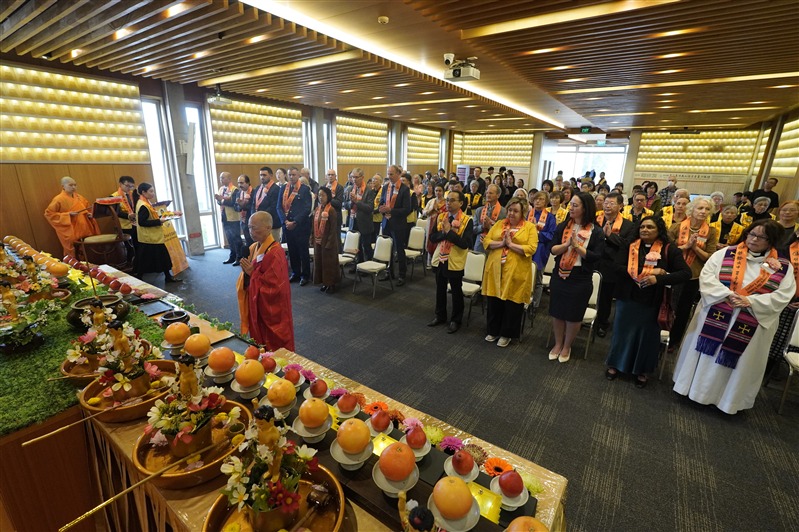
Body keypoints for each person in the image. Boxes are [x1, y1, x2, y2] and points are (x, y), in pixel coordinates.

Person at [672, 220, 795, 414]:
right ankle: (693, 389)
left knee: (741, 362)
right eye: (751, 234)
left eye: (761, 237)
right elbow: (707, 276)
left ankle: (727, 401)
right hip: (718, 308)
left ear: (772, 240)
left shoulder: (782, 267)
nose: (753, 239)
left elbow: (784, 295)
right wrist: (727, 294)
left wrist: (751, 302)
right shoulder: (725, 254)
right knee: (705, 353)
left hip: (752, 318)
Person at [605, 216, 691, 387]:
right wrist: (649, 271)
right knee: (622, 333)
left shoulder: (669, 248)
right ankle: (615, 364)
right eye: (642, 227)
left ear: (659, 230)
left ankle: (641, 371)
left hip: (653, 302)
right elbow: (616, 267)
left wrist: (658, 278)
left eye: (650, 227)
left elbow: (685, 273)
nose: (645, 230)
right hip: (628, 298)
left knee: (646, 338)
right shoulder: (629, 246)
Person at [548, 192, 605, 363]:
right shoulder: (564, 226)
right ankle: (558, 344)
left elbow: (597, 256)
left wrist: (578, 248)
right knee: (557, 312)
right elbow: (553, 249)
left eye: (575, 205)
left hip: (580, 278)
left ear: (585, 208)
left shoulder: (596, 231)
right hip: (560, 274)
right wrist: (566, 245)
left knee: (573, 314)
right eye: (570, 204)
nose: (570, 208)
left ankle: (567, 346)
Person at [482, 197, 538, 347]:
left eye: (515, 211)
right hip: (495, 269)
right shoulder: (499, 224)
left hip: (516, 271)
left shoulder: (529, 227)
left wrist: (511, 245)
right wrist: (502, 243)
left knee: (512, 303)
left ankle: (507, 334)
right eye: (510, 210)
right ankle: (493, 330)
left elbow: (532, 248)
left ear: (522, 213)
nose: (511, 213)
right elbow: (487, 241)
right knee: (494, 301)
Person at [237, 211, 295, 351]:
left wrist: (252, 274)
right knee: (259, 341)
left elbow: (275, 287)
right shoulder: (253, 248)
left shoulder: (276, 253)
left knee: (276, 346)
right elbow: (247, 278)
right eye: (249, 227)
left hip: (273, 311)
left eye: (254, 228)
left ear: (268, 228)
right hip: (257, 304)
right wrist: (248, 275)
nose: (251, 232)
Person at [667, 197, 719, 351]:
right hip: (673, 273)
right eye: (700, 208)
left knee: (683, 310)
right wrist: (686, 246)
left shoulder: (711, 232)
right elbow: (666, 250)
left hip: (693, 276)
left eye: (707, 209)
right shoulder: (676, 227)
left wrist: (695, 248)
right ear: (692, 210)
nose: (703, 212)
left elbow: (710, 256)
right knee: (667, 305)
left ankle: (675, 340)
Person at [428, 190, 474, 334]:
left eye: (452, 200)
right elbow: (432, 237)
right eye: (447, 200)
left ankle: (456, 320)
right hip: (441, 258)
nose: (448, 203)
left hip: (455, 260)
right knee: (440, 288)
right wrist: (444, 233)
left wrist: (449, 233)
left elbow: (465, 244)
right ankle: (440, 315)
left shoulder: (467, 220)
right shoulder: (441, 217)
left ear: (461, 203)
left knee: (456, 291)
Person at [594, 192, 636, 338]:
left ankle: (602, 323)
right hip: (593, 261)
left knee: (605, 297)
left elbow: (627, 245)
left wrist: (610, 236)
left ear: (620, 206)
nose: (607, 206)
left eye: (612, 203)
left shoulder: (628, 225)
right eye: (606, 203)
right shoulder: (595, 220)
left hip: (611, 265)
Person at [767, 227, 799, 376]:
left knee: (789, 337)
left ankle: (778, 367)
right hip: (782, 298)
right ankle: (767, 365)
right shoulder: (786, 249)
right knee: (774, 335)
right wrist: (785, 298)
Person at [135, 183, 181, 283]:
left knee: (160, 258)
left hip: (151, 237)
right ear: (144, 192)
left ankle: (167, 277)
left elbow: (153, 217)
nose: (153, 193)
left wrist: (171, 214)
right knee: (145, 260)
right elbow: (142, 222)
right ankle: (139, 277)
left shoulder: (145, 202)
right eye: (151, 191)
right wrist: (159, 221)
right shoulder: (143, 205)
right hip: (149, 237)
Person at [44, 176, 100, 257]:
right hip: (70, 230)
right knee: (74, 252)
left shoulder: (79, 197)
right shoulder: (58, 199)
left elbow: (89, 209)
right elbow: (49, 214)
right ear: (63, 186)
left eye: (75, 185)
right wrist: (67, 215)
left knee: (88, 251)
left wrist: (90, 214)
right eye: (70, 185)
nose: (73, 187)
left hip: (85, 228)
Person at [278, 167, 313, 286]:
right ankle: (295, 273)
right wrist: (285, 221)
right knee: (292, 251)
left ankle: (305, 275)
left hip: (300, 226)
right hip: (287, 226)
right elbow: (278, 207)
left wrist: (295, 222)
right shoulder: (283, 188)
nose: (292, 177)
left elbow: (306, 209)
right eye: (290, 175)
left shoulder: (304, 189)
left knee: (303, 251)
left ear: (298, 176)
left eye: (294, 175)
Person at [378, 164, 412, 286]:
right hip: (386, 222)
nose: (389, 176)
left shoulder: (404, 189)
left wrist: (391, 210)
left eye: (391, 174)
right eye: (388, 174)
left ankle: (402, 275)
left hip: (398, 223)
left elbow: (407, 209)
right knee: (387, 249)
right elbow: (382, 202)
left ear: (398, 174)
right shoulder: (385, 187)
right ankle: (389, 272)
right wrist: (381, 209)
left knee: (399, 249)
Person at [528, 191, 556, 312]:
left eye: (541, 199)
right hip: (526, 248)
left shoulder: (550, 217)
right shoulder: (527, 214)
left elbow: (551, 236)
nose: (538, 201)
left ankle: (534, 305)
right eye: (536, 199)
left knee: (537, 280)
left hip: (540, 250)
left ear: (546, 202)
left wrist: (537, 231)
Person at [343, 168, 376, 266]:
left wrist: (357, 201)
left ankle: (369, 266)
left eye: (356, 177)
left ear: (362, 177)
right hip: (353, 220)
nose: (354, 179)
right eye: (352, 177)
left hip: (365, 223)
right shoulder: (350, 189)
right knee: (356, 246)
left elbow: (369, 208)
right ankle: (358, 264)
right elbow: (345, 204)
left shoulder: (369, 190)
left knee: (366, 246)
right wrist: (351, 202)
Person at [312, 187, 340, 293]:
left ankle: (331, 284)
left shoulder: (331, 210)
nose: (321, 197)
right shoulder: (317, 209)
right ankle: (324, 282)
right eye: (319, 195)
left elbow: (333, 229)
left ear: (328, 196)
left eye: (323, 195)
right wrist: (312, 238)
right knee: (320, 262)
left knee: (329, 264)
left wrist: (329, 242)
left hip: (329, 242)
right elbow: (313, 226)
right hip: (318, 241)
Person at [215, 172, 243, 265]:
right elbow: (219, 202)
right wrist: (219, 200)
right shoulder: (221, 189)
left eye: (223, 178)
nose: (221, 179)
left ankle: (239, 257)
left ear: (229, 179)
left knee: (236, 238)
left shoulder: (234, 190)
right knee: (229, 238)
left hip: (233, 218)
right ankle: (232, 256)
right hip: (224, 216)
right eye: (220, 178)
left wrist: (222, 200)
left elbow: (233, 203)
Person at [111, 175, 138, 265]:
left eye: (131, 186)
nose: (129, 188)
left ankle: (138, 263)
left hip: (135, 223)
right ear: (120, 184)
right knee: (128, 246)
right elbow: (116, 212)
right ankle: (130, 264)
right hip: (124, 225)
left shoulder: (132, 194)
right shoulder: (114, 196)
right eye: (127, 186)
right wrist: (128, 216)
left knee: (137, 244)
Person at [250, 166, 281, 243]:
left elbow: (274, 207)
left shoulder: (276, 189)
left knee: (271, 245)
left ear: (271, 175)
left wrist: (260, 216)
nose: (262, 177)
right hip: (258, 224)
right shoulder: (258, 188)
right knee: (260, 246)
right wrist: (254, 216)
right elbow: (253, 204)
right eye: (261, 175)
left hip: (271, 224)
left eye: (264, 175)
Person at [473, 184, 505, 253]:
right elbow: (473, 229)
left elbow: (504, 232)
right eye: (487, 193)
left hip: (495, 247)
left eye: (490, 193)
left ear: (498, 195)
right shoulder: (479, 210)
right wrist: (482, 227)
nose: (488, 195)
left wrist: (492, 226)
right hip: (479, 246)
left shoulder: (504, 212)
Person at [234, 174, 254, 250]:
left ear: (248, 183)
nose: (239, 185)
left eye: (242, 183)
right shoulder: (239, 193)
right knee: (248, 241)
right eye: (238, 183)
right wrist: (240, 206)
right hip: (243, 221)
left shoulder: (254, 192)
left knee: (254, 242)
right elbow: (235, 207)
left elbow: (253, 206)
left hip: (252, 220)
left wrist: (243, 205)